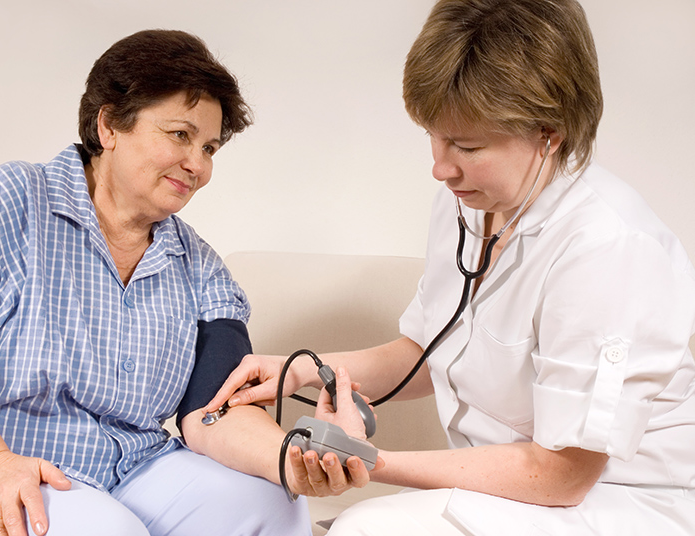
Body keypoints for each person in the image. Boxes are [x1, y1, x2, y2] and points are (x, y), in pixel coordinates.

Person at [207, 0, 695, 534]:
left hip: (619, 502)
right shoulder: (469, 202)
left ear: (549, 132)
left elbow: (562, 476)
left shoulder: (608, 249)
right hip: (505, 492)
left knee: (366, 528)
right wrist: (300, 368)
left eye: (466, 145)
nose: (440, 168)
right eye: (433, 137)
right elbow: (426, 350)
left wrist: (369, 461)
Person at [0, 29, 368, 536]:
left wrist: (290, 459)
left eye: (209, 147)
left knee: (272, 503)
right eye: (180, 135)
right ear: (109, 125)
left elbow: (218, 408)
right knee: (104, 529)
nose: (199, 165)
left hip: (131, 469)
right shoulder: (15, 201)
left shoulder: (201, 267)